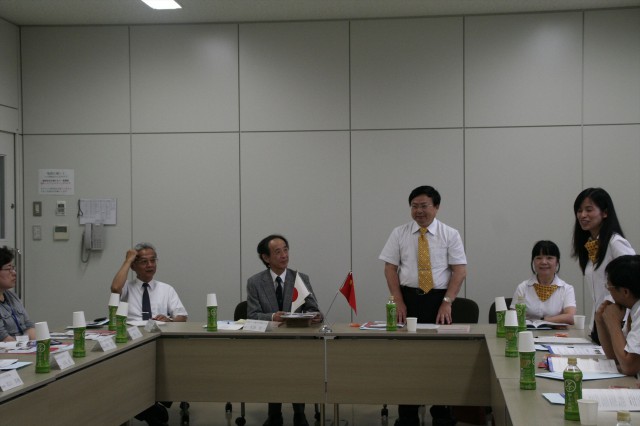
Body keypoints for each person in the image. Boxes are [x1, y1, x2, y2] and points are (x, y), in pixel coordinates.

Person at [379, 185, 467, 426]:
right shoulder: (399, 233)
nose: (419, 211)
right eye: (414, 206)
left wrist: (447, 302)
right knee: (406, 359)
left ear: (436, 207)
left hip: (439, 301)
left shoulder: (450, 234)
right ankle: (407, 415)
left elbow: (459, 270)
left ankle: (442, 414)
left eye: (424, 206)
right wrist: (398, 300)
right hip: (408, 300)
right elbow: (390, 268)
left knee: (441, 360)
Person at [246, 234, 322, 426]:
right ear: (266, 258)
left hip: (298, 342)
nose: (284, 255)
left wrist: (316, 316)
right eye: (278, 252)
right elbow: (252, 315)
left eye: (286, 250)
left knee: (298, 371)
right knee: (274, 372)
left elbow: (313, 308)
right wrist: (273, 316)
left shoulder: (300, 278)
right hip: (270, 344)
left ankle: (300, 413)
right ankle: (274, 415)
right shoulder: (255, 282)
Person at [111, 242, 188, 426]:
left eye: (153, 260)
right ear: (134, 266)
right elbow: (115, 288)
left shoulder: (166, 289)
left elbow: (182, 316)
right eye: (144, 262)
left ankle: (150, 406)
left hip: (159, 341)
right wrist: (128, 259)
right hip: (132, 342)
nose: (150, 265)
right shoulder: (127, 288)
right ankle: (149, 409)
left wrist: (169, 320)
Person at [571, 188, 635, 343]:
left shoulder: (616, 243)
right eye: (579, 210)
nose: (583, 215)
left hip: (619, 322)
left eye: (589, 210)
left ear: (605, 213)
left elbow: (634, 277)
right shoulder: (590, 245)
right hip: (599, 322)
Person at [511, 240, 576, 324]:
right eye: (539, 258)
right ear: (533, 261)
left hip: (556, 332)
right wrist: (558, 318)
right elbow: (512, 317)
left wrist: (543, 321)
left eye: (549, 258)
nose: (544, 262)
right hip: (527, 331)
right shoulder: (523, 287)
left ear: (557, 262)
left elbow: (570, 317)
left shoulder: (566, 289)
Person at [595, 255, 640, 376]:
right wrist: (600, 322)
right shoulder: (634, 310)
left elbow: (629, 367)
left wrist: (614, 322)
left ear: (625, 292)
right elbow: (616, 358)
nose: (609, 292)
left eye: (610, 287)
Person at [0, 246, 36, 342]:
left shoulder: (11, 296)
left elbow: (28, 325)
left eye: (13, 268)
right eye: (9, 269)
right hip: (9, 349)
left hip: (24, 346)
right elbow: (4, 338)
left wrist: (36, 343)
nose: (14, 273)